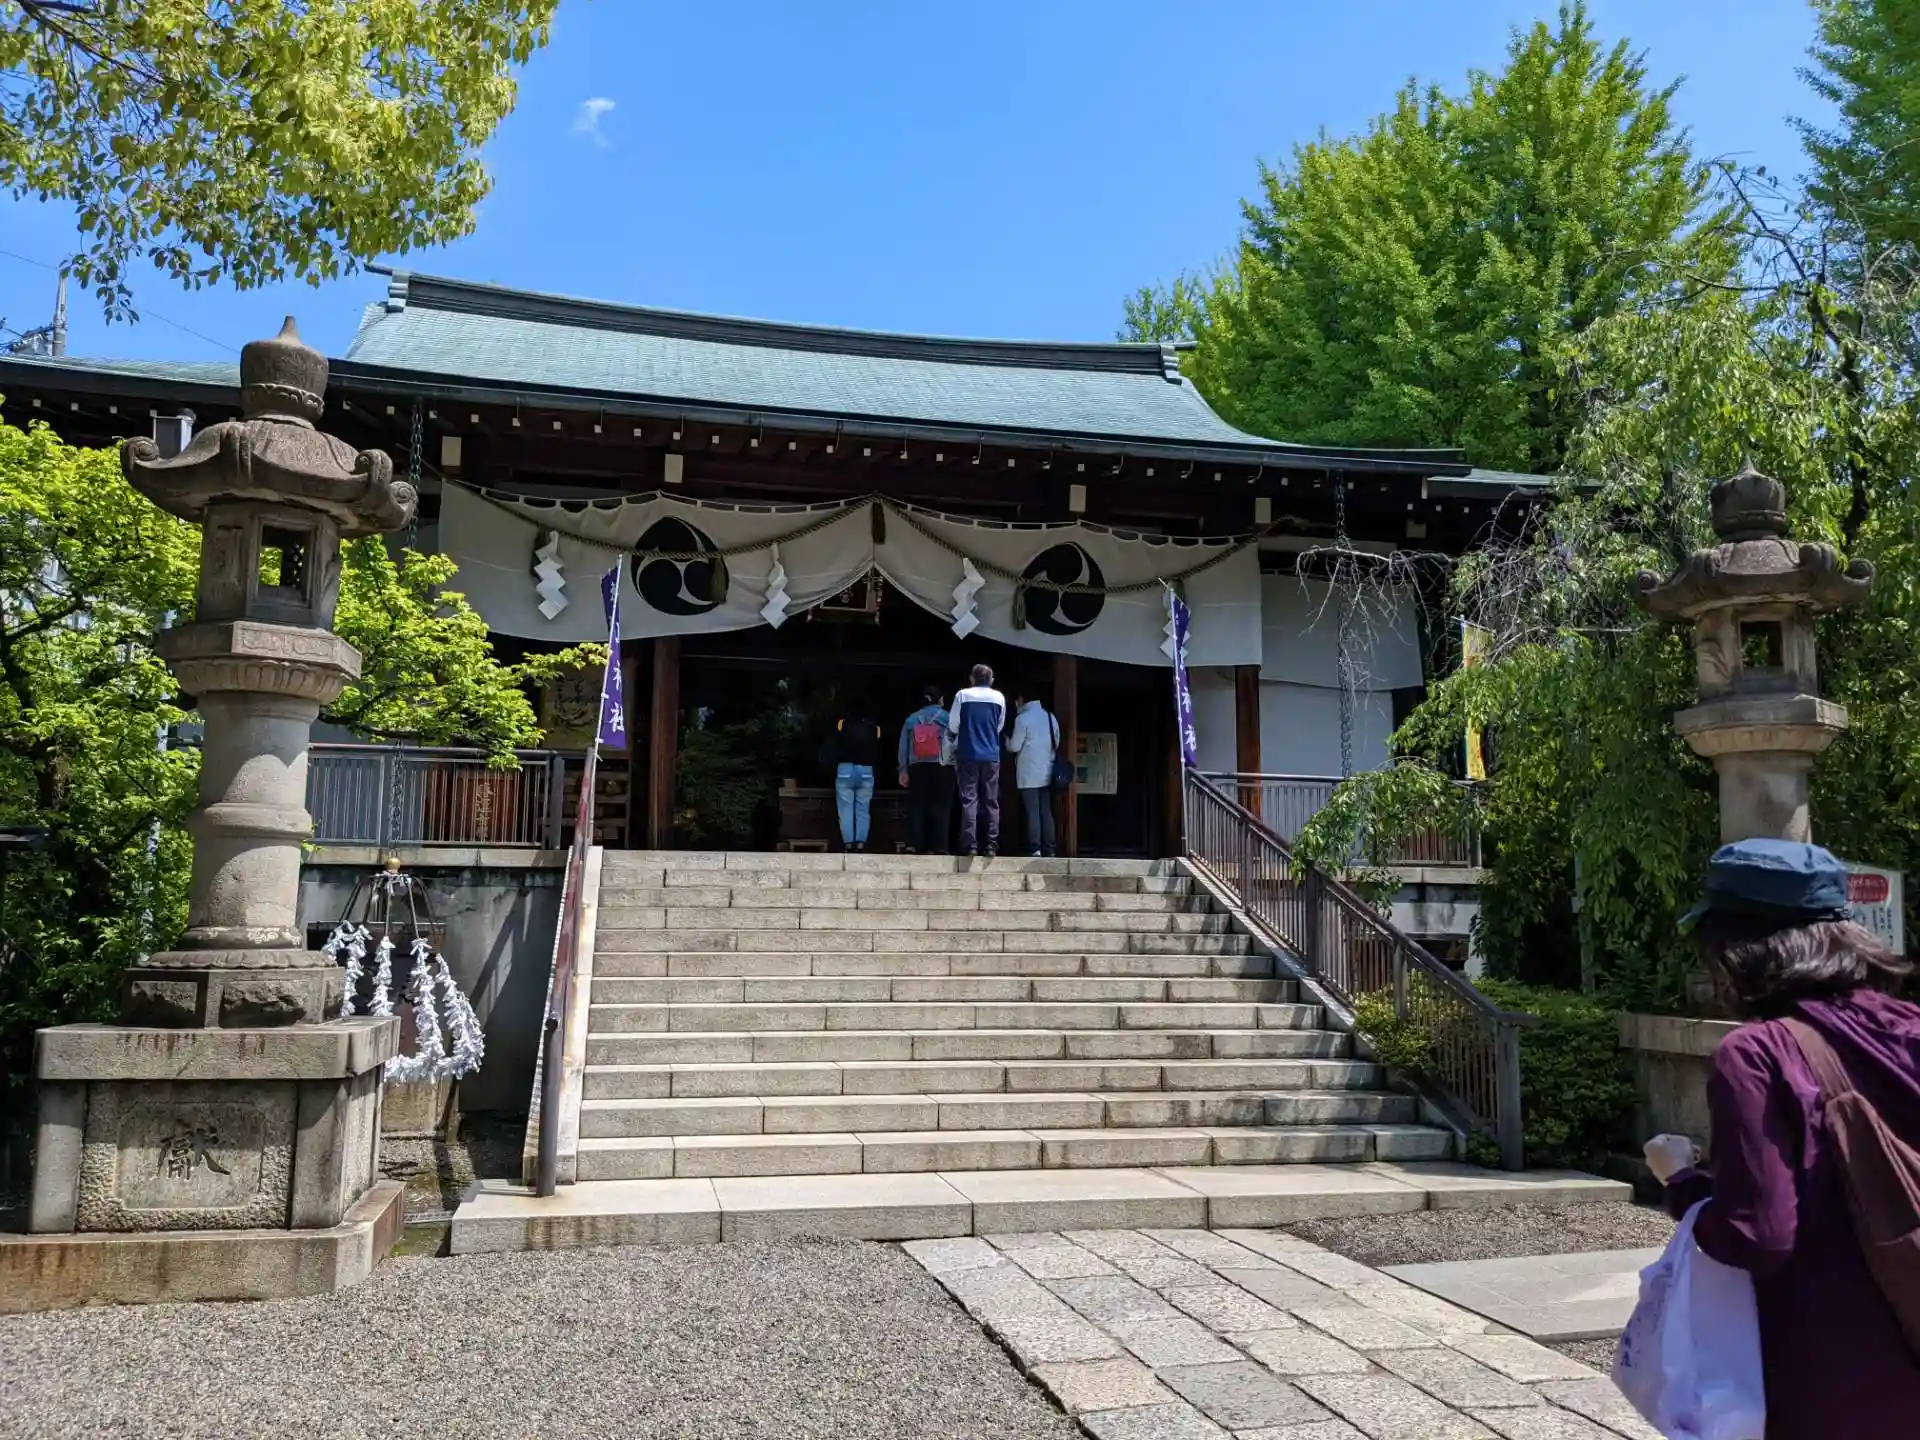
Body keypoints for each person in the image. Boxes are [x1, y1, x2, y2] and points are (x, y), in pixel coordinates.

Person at [1642, 838, 1920, 1440]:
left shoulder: (1758, 1053)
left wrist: (1681, 1181)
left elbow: (1758, 1235)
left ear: (1737, 947)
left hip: (1837, 1378)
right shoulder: (1910, 1028)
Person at [947, 663, 1006, 857]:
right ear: (991, 680)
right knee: (991, 799)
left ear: (972, 678)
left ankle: (970, 844)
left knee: (969, 799)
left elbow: (953, 724)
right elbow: (999, 725)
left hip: (968, 752)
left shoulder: (962, 695)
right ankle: (991, 844)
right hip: (991, 754)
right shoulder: (999, 697)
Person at [897, 686, 955, 855]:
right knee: (941, 807)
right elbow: (956, 742)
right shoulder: (947, 717)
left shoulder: (911, 719)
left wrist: (903, 769)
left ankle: (914, 845)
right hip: (942, 766)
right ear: (940, 700)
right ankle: (939, 846)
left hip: (917, 766)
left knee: (917, 806)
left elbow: (903, 747)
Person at [1005, 690, 1059, 857]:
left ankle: (1035, 848)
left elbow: (1014, 746)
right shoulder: (1050, 717)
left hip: (1028, 772)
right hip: (1047, 769)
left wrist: (1006, 740)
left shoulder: (1022, 719)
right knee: (1046, 810)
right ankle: (1050, 848)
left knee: (1032, 811)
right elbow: (1056, 742)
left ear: (1021, 700)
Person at [831, 701, 883, 853]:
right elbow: (877, 750)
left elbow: (834, 746)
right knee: (863, 807)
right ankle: (860, 843)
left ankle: (848, 843)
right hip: (866, 769)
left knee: (845, 808)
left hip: (845, 768)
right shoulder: (875, 728)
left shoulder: (841, 724)